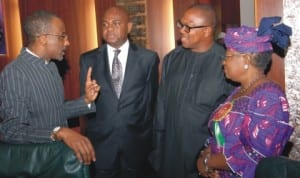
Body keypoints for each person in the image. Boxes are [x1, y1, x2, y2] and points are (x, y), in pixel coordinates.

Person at [196, 17, 294, 178]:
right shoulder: (238, 91)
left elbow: (256, 155)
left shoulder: (270, 97)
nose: (223, 63)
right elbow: (220, 136)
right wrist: (205, 155)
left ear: (246, 59)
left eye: (228, 56)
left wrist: (209, 162)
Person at [0, 10, 100, 165]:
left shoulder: (52, 67)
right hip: (38, 163)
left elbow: (56, 110)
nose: (67, 42)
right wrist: (57, 132)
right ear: (43, 39)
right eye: (62, 36)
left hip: (57, 158)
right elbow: (12, 130)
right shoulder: (15, 73)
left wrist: (86, 100)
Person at [149, 3, 233, 178]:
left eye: (188, 27)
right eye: (181, 24)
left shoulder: (226, 63)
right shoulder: (171, 59)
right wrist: (157, 149)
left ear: (207, 31)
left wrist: (216, 157)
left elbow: (228, 119)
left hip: (202, 156)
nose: (181, 30)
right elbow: (161, 106)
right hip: (169, 154)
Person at [79, 5, 159, 178]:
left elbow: (150, 102)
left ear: (129, 27)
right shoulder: (88, 59)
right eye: (105, 24)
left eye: (116, 23)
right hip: (101, 145)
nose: (109, 28)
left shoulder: (148, 59)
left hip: (136, 143)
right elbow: (84, 104)